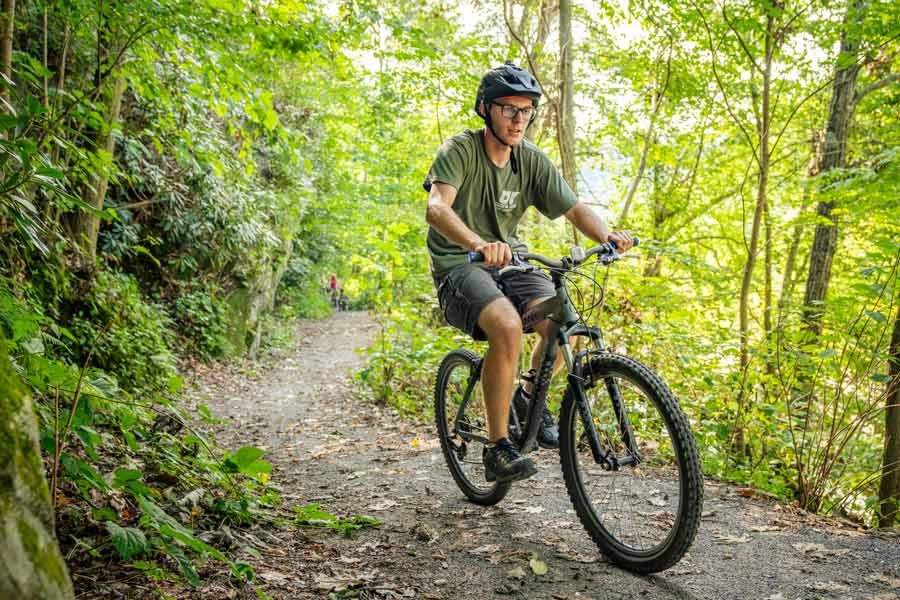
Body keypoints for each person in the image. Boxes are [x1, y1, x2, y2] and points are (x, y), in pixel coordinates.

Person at [423, 62, 633, 484]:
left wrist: (606, 236)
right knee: (507, 327)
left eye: (526, 111)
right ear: (485, 108)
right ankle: (498, 447)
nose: (519, 119)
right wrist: (478, 244)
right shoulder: (460, 150)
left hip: (513, 261)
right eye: (509, 109)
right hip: (459, 264)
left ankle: (527, 393)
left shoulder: (531, 160)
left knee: (565, 322)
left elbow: (574, 208)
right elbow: (437, 208)